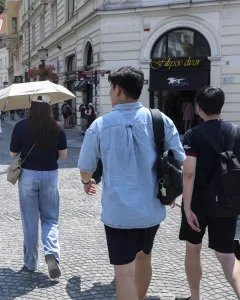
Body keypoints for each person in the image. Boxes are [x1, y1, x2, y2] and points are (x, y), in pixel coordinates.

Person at [78, 67, 185, 300]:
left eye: (110, 88)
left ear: (118, 89)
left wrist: (87, 182)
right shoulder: (160, 120)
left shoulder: (99, 125)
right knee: (145, 256)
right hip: (151, 209)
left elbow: (86, 168)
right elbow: (179, 159)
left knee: (124, 273)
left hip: (119, 213)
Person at [179, 86, 240, 300]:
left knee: (193, 249)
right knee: (227, 255)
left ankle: (195, 297)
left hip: (197, 203)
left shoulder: (193, 135)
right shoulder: (236, 132)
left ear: (198, 108)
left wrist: (186, 208)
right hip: (228, 202)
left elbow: (188, 173)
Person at [10, 95, 67, 279]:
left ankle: (31, 262)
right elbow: (63, 155)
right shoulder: (57, 127)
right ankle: (51, 252)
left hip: (28, 175)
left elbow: (13, 154)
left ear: (31, 106)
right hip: (50, 174)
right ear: (49, 107)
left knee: (30, 221)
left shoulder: (20, 126)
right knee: (50, 218)